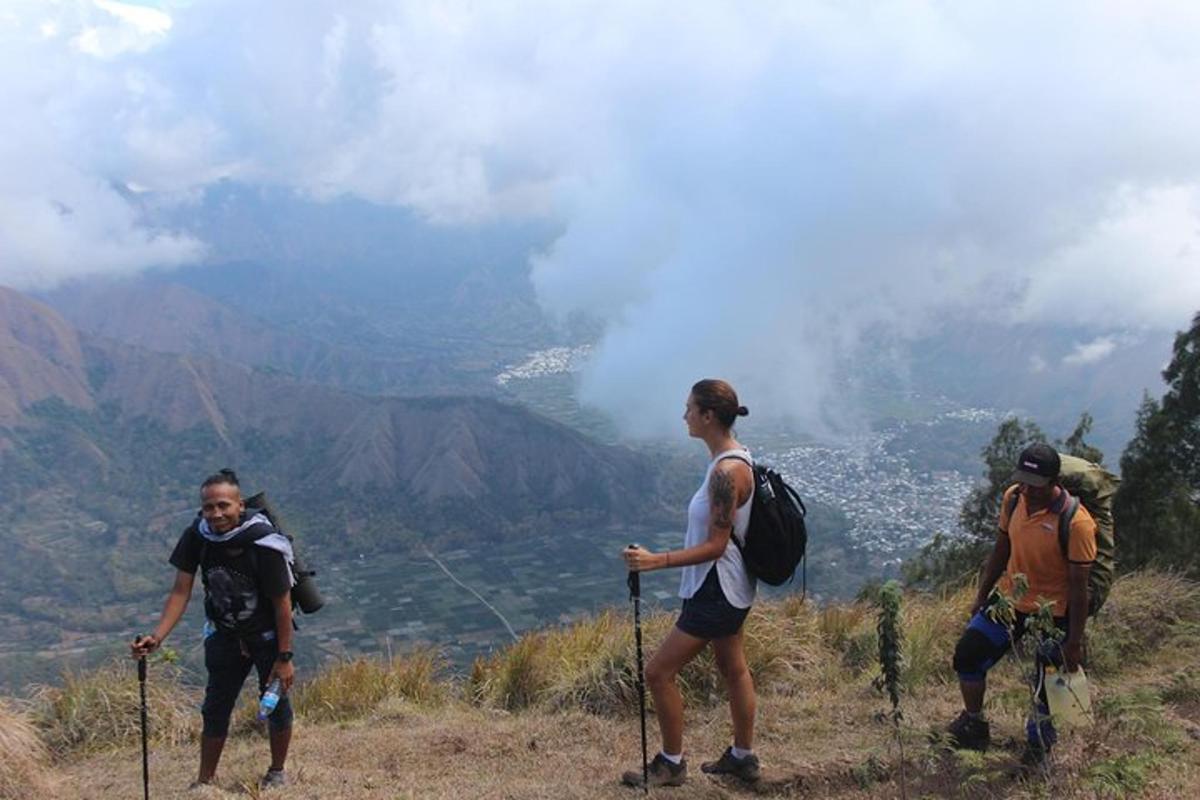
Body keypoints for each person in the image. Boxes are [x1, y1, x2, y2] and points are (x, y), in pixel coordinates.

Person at [620, 379, 760, 788]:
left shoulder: (726, 473)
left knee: (658, 673)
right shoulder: (733, 459)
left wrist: (654, 561)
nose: (684, 416)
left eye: (689, 409)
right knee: (733, 669)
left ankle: (671, 763)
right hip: (731, 587)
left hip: (716, 588)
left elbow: (716, 546)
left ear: (708, 416)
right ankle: (743, 758)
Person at [131, 468, 297, 790]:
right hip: (224, 636)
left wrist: (285, 656)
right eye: (209, 507)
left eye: (224, 505)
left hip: (267, 637)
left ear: (240, 505)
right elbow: (181, 591)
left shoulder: (264, 544)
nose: (217, 514)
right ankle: (205, 781)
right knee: (215, 707)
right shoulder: (197, 537)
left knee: (276, 704)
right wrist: (158, 637)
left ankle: (277, 772)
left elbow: (282, 604)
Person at [946, 443, 1097, 764]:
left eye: (1036, 484)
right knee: (968, 656)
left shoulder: (1077, 523)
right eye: (1024, 481)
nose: (1029, 489)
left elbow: (1079, 587)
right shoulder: (1014, 498)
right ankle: (974, 723)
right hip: (1009, 601)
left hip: (1053, 613)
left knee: (1047, 685)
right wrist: (981, 595)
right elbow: (1001, 548)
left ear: (1055, 481)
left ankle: (1037, 748)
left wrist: (1073, 641)